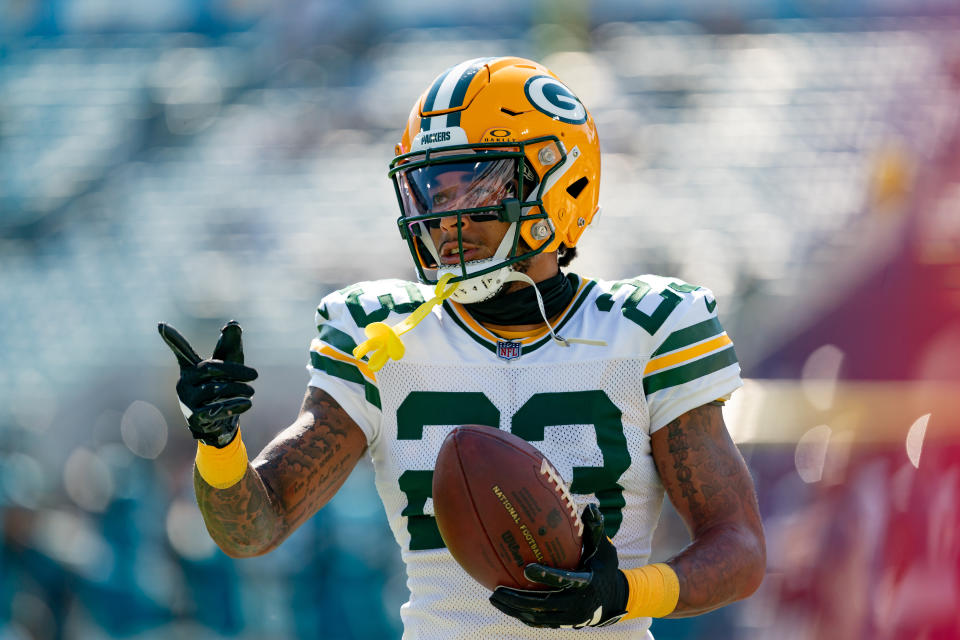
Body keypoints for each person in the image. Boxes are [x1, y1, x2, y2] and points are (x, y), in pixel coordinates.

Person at [159, 56, 765, 639]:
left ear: (560, 183)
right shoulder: (380, 336)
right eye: (431, 192)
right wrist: (219, 445)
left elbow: (739, 548)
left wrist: (625, 594)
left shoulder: (648, 327)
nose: (447, 220)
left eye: (477, 187)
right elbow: (252, 530)